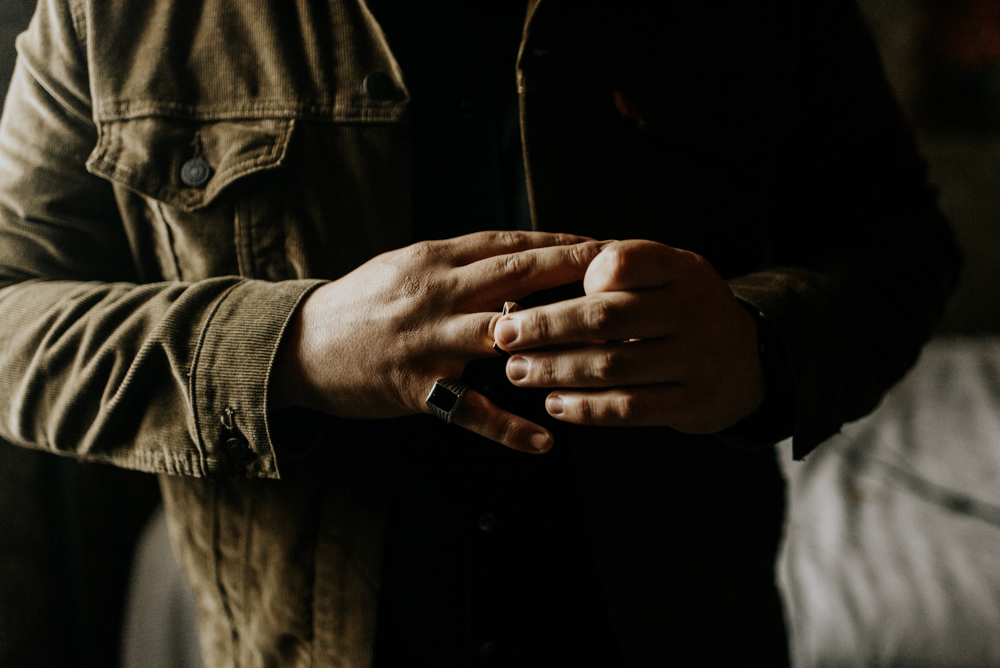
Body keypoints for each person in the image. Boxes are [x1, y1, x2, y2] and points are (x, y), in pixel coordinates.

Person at [0, 0, 960, 666]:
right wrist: (291, 346)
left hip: (687, 638)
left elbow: (898, 241)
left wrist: (761, 345)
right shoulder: (110, 13)